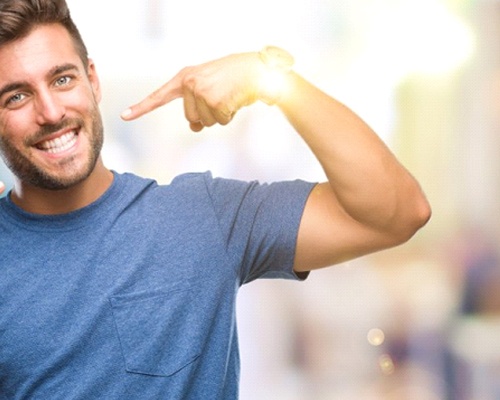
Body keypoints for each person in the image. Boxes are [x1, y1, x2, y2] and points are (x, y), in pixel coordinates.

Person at [0, 0, 431, 398]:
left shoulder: (202, 218)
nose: (51, 112)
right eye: (17, 96)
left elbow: (395, 213)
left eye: (63, 79)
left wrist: (276, 83)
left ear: (92, 80)